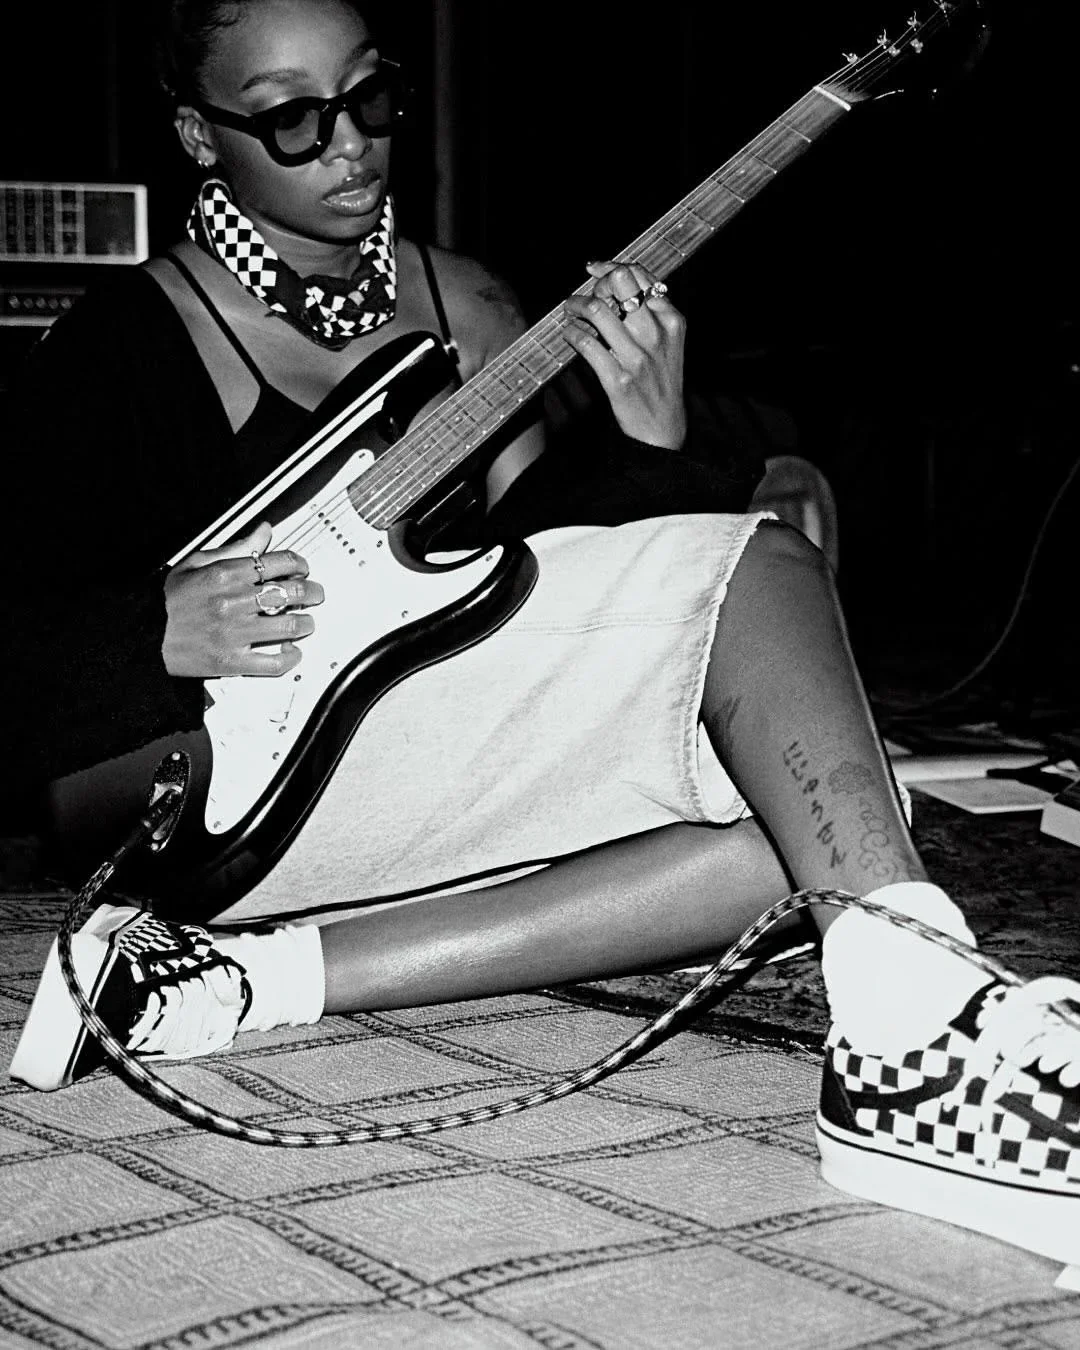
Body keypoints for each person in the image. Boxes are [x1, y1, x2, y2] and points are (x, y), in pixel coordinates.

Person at [6, 0, 1078, 1282]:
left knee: (826, 821)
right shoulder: (119, 344)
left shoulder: (469, 305)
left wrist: (649, 441)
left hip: (408, 737)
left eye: (370, 96)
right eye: (292, 118)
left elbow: (541, 583)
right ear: (199, 135)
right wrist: (152, 628)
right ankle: (915, 1040)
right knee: (766, 576)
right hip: (196, 797)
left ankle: (244, 983)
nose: (347, 142)